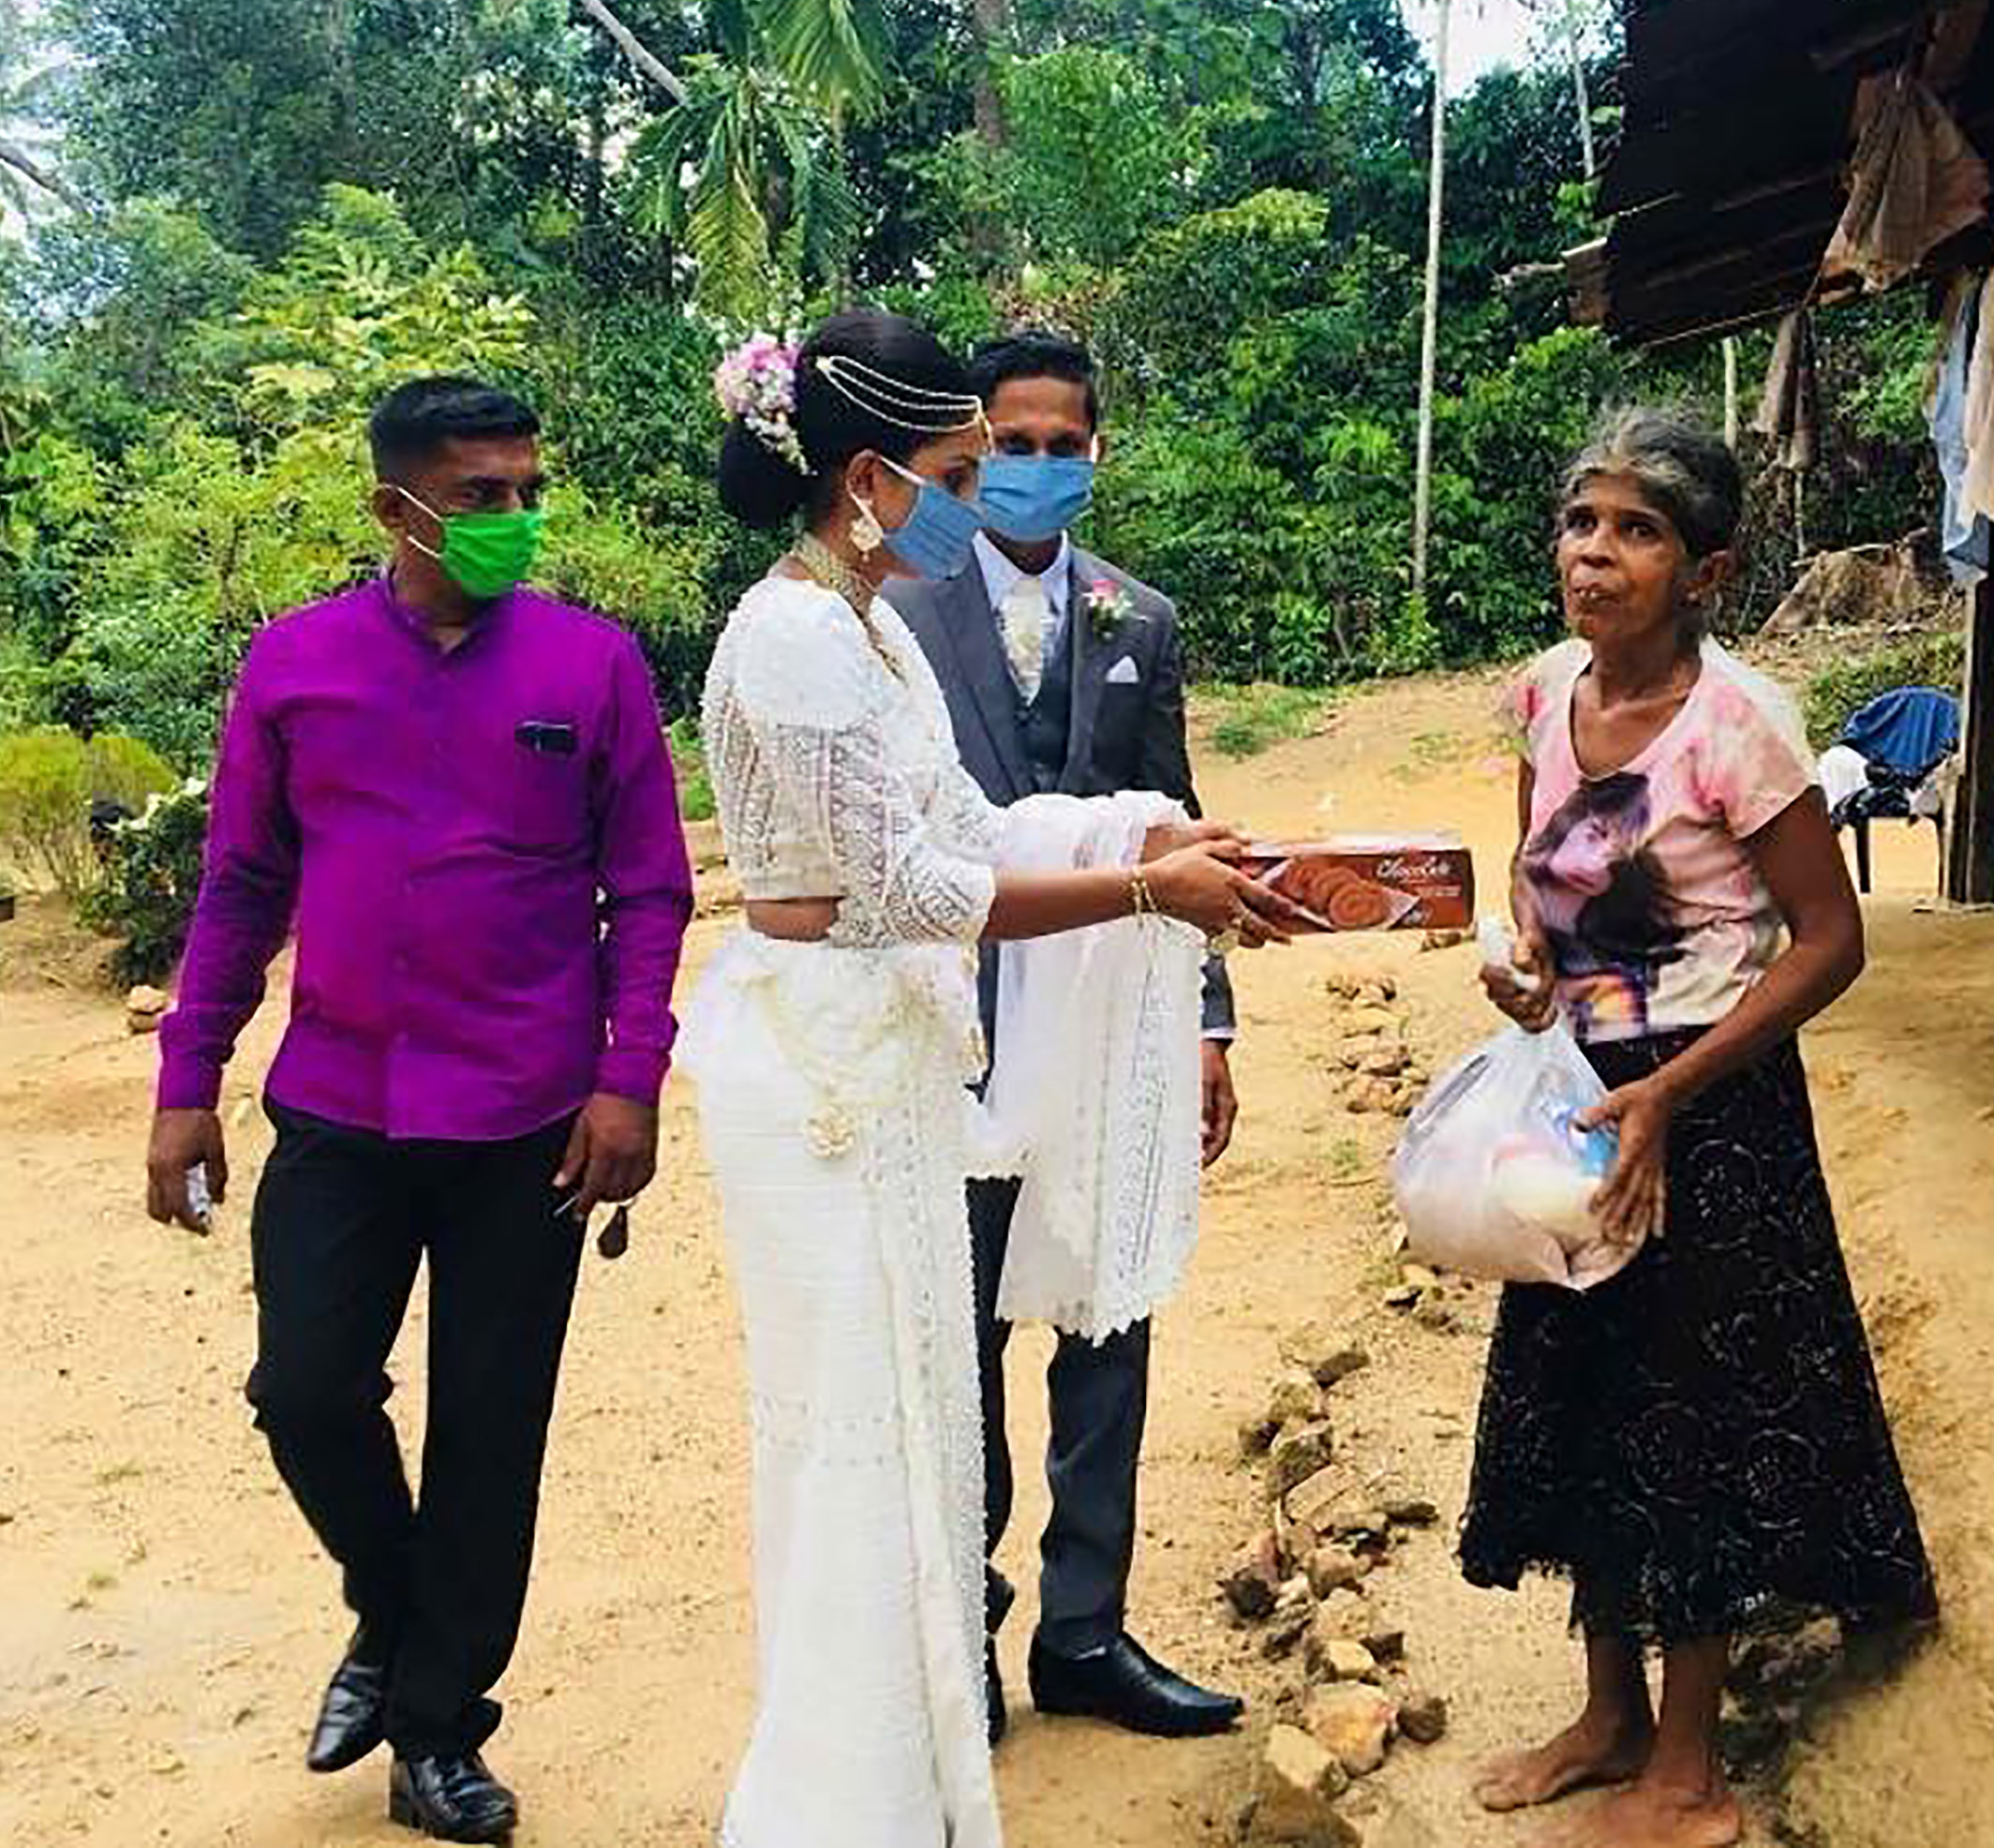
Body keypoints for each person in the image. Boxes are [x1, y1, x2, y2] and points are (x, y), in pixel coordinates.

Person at [680, 308, 1288, 1848]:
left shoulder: (868, 623)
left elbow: (965, 834)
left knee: (926, 1419)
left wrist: (1138, 839)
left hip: (894, 1054)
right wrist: (1144, 897)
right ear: (872, 479)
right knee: (867, 1423)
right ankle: (843, 1793)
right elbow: (898, 889)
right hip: (827, 1060)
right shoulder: (793, 634)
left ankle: (933, 1760)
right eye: (959, 468)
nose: (978, 495)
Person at [142, 378, 693, 1844]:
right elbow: (244, 885)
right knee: (305, 1390)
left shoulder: (592, 667)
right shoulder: (296, 664)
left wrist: (628, 1075)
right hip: (340, 1104)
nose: (515, 516)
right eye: (481, 494)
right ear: (396, 508)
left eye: (527, 488)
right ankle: (393, 1621)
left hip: (531, 1120)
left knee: (489, 1434)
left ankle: (439, 1729)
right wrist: (185, 1083)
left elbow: (647, 888)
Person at [1460, 405, 1938, 1848]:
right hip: (1578, 1091)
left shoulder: (1740, 726)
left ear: (1705, 574)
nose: (1593, 556)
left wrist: (1673, 1088)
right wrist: (1522, 961)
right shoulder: (1545, 694)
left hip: (1709, 1106)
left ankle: (1689, 1768)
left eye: (1637, 532)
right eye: (1581, 523)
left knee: (1694, 1414)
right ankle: (1607, 1715)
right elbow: (1538, 872)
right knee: (1585, 1389)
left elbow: (1826, 938)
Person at [884, 328, 1243, 1744]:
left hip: (1114, 1024)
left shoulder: (1134, 618)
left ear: (1095, 452)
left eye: (1061, 445)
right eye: (1010, 446)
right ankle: (961, 1630)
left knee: (1111, 1317)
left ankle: (1083, 1629)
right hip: (954, 1023)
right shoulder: (896, 614)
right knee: (957, 1327)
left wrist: (1208, 1022)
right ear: (971, 451)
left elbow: (1177, 811)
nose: (1035, 468)